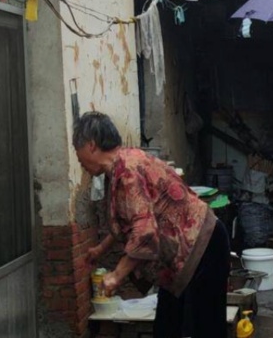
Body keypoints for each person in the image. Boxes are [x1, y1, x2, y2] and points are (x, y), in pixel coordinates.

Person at [74, 111, 229, 338]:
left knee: (205, 328)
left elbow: (145, 233)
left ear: (91, 145)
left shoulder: (127, 170)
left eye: (77, 151)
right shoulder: (120, 166)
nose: (78, 160)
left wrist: (117, 275)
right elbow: (131, 218)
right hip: (181, 255)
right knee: (167, 327)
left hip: (202, 248)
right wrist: (101, 248)